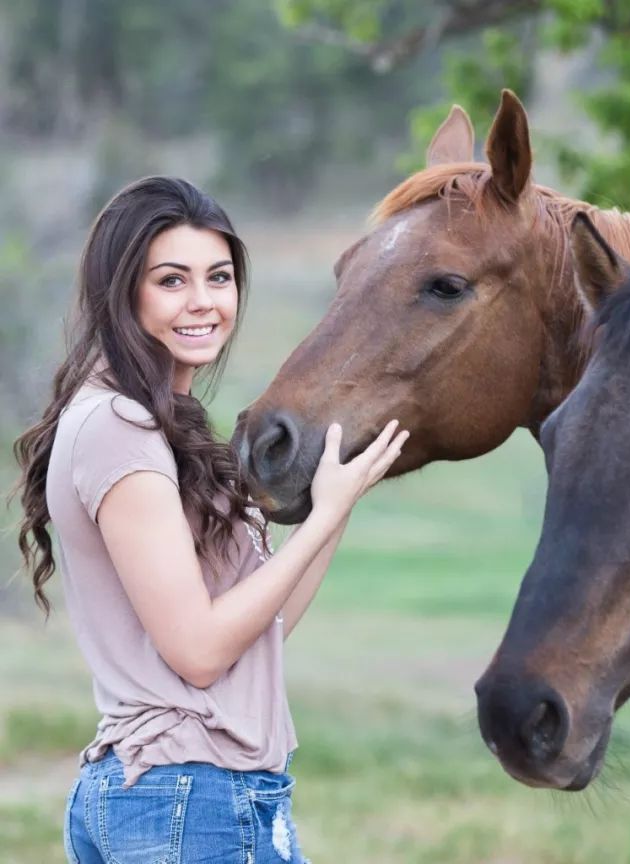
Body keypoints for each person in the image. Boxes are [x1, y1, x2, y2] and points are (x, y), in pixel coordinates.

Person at [12, 176, 408, 862]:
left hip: (189, 800)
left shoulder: (154, 423)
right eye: (172, 280)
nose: (203, 303)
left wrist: (335, 504)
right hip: (185, 802)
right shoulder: (119, 425)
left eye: (219, 278)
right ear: (123, 292)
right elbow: (198, 652)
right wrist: (325, 517)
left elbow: (262, 630)